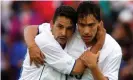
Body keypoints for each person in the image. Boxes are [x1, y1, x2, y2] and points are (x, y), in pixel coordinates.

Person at [21, 1, 122, 80]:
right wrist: (31, 45)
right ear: (77, 24)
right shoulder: (53, 35)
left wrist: (94, 67)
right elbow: (30, 29)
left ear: (100, 24)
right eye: (82, 25)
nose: (86, 31)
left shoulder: (113, 49)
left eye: (91, 25)